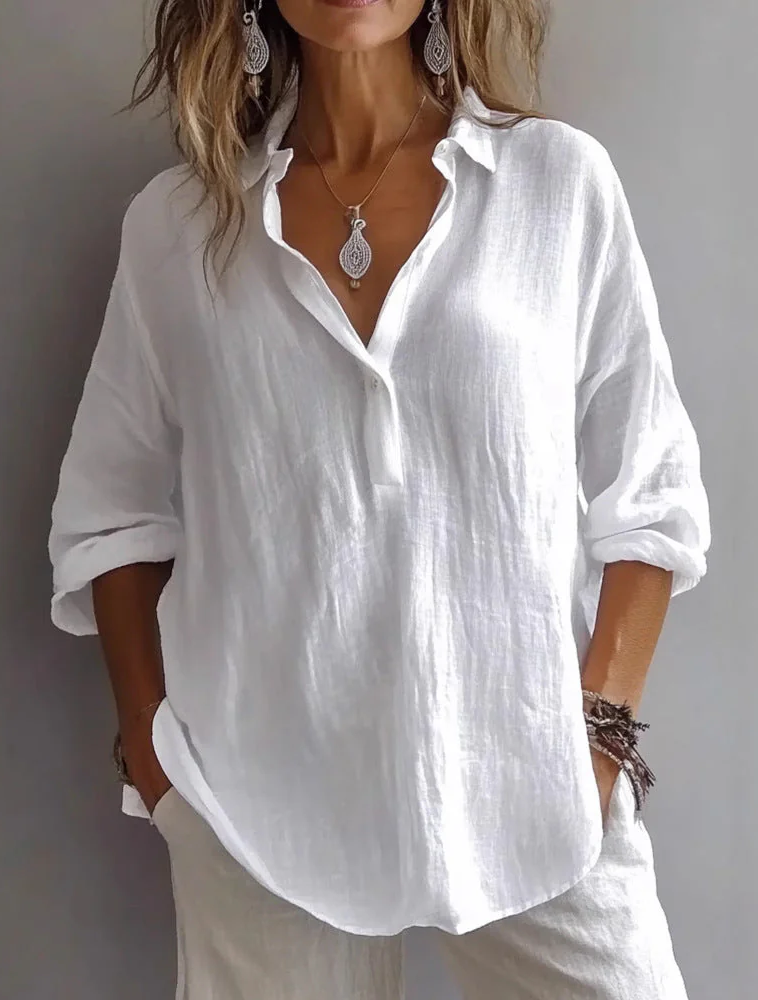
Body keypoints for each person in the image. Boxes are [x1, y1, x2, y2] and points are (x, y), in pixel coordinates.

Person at [48, 1, 711, 997]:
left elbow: (650, 487)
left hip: (534, 778)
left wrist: (597, 738)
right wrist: (156, 757)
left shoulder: (555, 185)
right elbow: (111, 512)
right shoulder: (178, 226)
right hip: (259, 810)